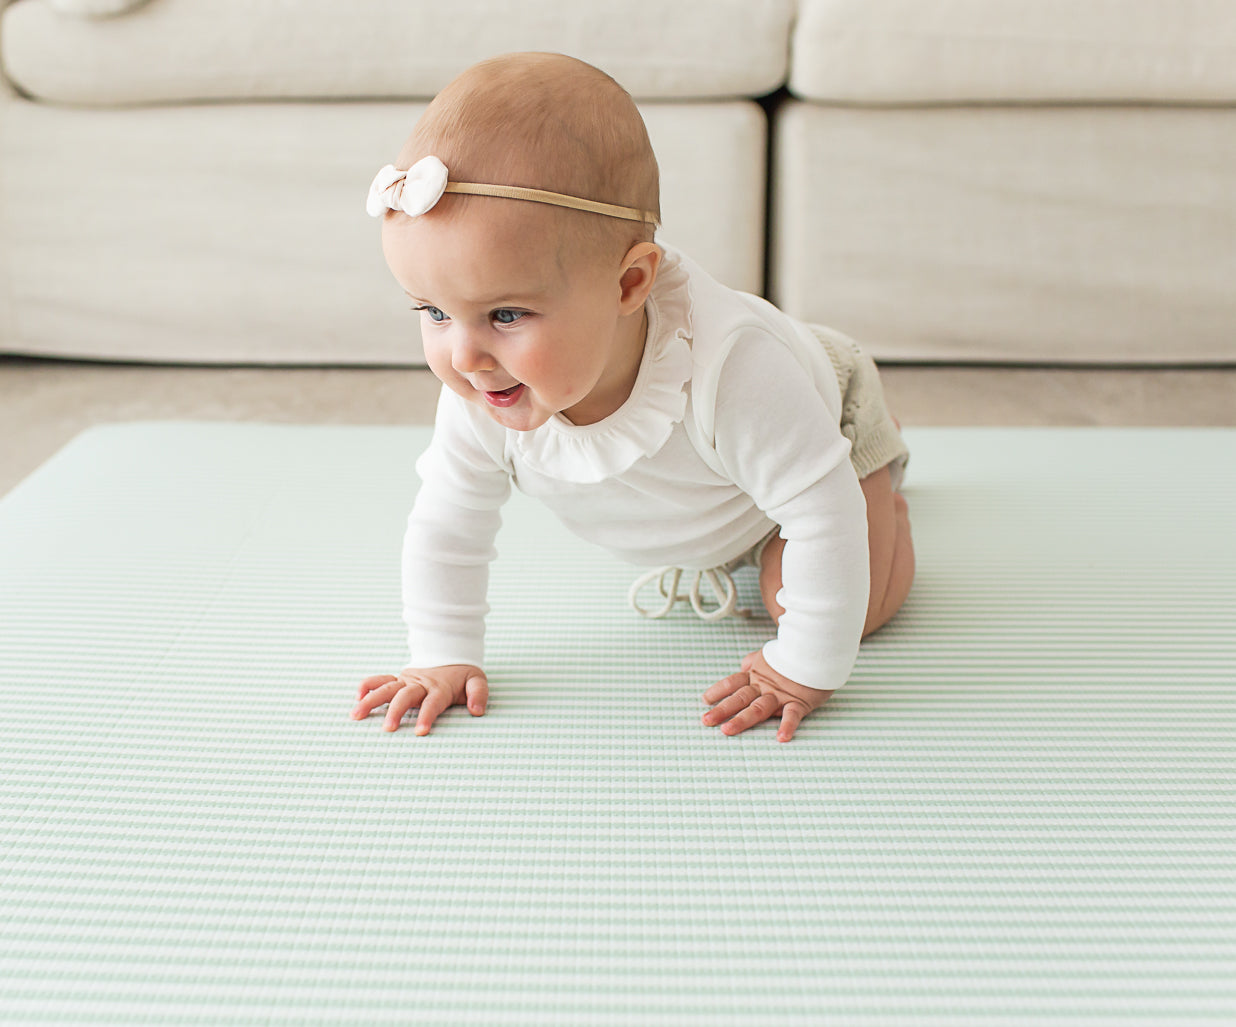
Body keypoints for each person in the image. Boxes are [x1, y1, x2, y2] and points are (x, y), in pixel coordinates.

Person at [351, 52, 914, 743]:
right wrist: (442, 652)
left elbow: (822, 512)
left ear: (629, 285)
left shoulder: (732, 370)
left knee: (828, 602)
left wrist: (803, 667)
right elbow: (447, 523)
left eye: (505, 315)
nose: (463, 357)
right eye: (433, 312)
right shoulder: (486, 385)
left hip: (825, 416)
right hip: (723, 486)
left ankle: (881, 488)